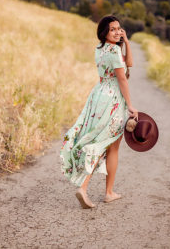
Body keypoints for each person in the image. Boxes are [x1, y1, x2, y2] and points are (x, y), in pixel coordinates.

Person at [60, 15, 138, 209]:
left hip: (99, 94)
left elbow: (130, 64)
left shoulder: (101, 48)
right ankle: (90, 189)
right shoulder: (113, 50)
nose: (118, 32)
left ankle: (104, 191)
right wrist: (130, 105)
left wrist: (126, 42)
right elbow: (122, 78)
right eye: (113, 29)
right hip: (112, 98)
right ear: (104, 32)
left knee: (104, 142)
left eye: (119, 28)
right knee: (107, 145)